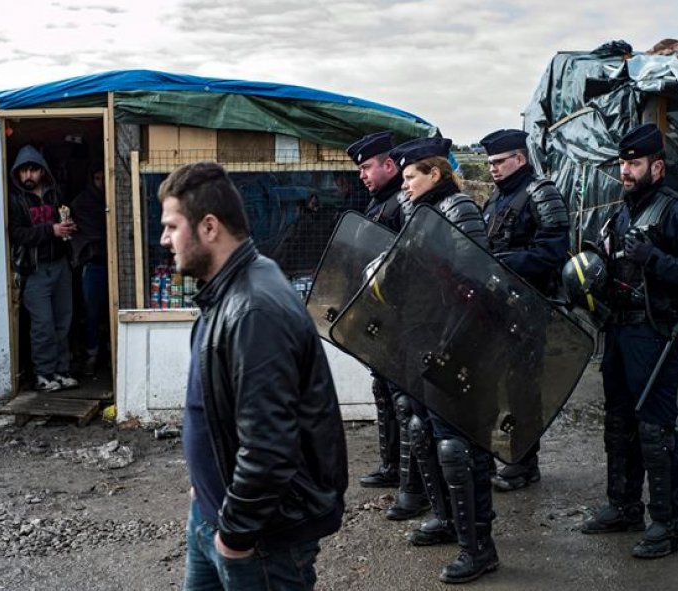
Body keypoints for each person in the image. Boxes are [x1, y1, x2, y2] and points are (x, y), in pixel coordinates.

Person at [158, 161, 348, 590]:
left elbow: (269, 445)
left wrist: (235, 536)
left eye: (172, 226)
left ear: (209, 227)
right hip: (211, 512)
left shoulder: (254, 308)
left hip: (260, 538)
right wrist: (202, 488)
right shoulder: (229, 287)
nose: (164, 239)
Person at [580, 123, 678, 559]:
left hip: (655, 334)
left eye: (634, 163)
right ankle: (623, 507)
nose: (626, 170)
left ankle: (668, 523)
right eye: (622, 162)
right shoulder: (619, 212)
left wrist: (654, 259)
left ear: (656, 166)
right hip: (618, 330)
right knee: (618, 424)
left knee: (655, 430)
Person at [389, 137, 498, 584]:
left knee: (458, 444)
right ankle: (449, 520)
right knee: (425, 430)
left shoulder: (460, 210)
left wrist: (455, 340)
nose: (406, 184)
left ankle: (479, 548)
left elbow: (478, 279)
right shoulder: (420, 212)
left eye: (411, 175)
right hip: (423, 338)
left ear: (435, 173)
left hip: (457, 342)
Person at [478, 129, 570, 492]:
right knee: (492, 384)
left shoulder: (540, 194)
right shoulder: (496, 199)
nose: (493, 170)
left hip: (530, 304)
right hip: (497, 306)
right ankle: (496, 456)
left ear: (520, 158)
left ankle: (523, 462)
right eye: (489, 164)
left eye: (499, 162)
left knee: (522, 388)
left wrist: (506, 261)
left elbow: (553, 252)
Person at [345, 131, 431, 519]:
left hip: (405, 317)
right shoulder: (379, 203)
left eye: (367, 166)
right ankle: (392, 465)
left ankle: (414, 485)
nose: (362, 175)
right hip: (384, 314)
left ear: (389, 165)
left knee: (405, 401)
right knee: (385, 392)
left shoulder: (402, 203)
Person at [8, 145, 79, 392]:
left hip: (60, 265)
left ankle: (61, 371)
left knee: (64, 321)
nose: (28, 176)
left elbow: (67, 222)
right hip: (34, 269)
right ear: (16, 174)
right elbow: (17, 234)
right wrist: (51, 231)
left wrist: (69, 227)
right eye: (23, 171)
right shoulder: (15, 200)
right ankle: (43, 374)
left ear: (42, 171)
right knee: (43, 325)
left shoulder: (56, 193)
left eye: (33, 170)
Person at [70, 166, 108, 377]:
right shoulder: (81, 204)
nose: (101, 182)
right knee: (91, 312)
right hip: (92, 264)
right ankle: (91, 354)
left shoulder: (117, 197)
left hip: (113, 264)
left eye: (104, 177)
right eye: (97, 178)